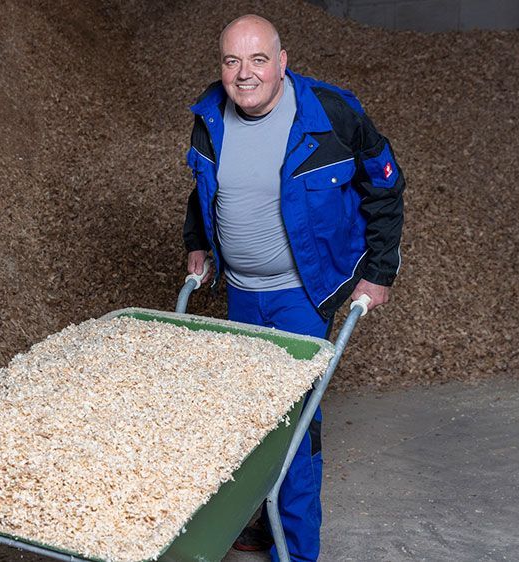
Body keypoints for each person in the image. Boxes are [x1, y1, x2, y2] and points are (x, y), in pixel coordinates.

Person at [182, 14, 405, 562]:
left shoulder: (332, 114)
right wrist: (198, 244)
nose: (244, 73)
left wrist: (378, 273)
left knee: (295, 422)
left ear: (282, 63)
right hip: (239, 293)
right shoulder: (209, 116)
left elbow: (385, 187)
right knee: (245, 418)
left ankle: (296, 551)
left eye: (259, 59)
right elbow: (204, 191)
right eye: (232, 61)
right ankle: (261, 519)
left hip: (303, 294)